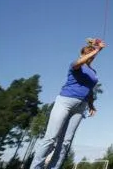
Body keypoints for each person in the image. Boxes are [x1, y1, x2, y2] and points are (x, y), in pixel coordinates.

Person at [31, 38, 105, 169]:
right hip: (65, 102)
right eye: (87, 53)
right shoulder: (75, 64)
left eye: (91, 54)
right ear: (82, 54)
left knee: (65, 142)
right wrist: (97, 49)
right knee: (51, 138)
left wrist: (91, 105)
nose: (90, 56)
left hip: (80, 107)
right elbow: (81, 61)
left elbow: (89, 90)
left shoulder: (93, 72)